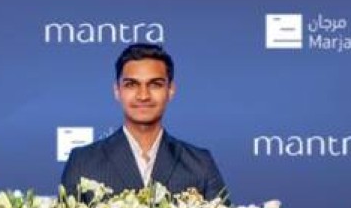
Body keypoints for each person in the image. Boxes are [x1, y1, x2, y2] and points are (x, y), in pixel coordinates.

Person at [59, 42, 226, 199]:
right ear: (117, 91)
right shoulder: (83, 162)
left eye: (155, 84)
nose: (143, 96)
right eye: (131, 84)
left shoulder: (199, 164)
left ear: (171, 90)